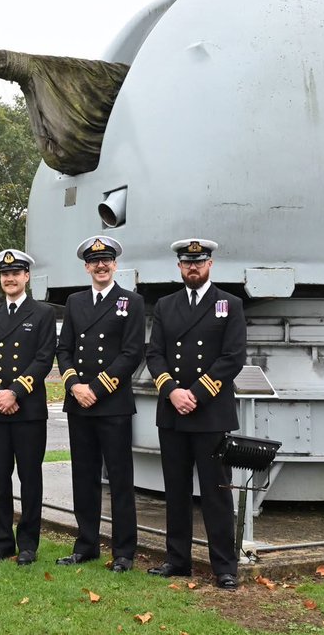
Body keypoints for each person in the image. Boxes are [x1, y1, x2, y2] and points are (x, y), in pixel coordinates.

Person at [145, 238, 246, 591]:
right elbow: (154, 353)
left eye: (199, 262)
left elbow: (233, 357)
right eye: (187, 263)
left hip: (210, 413)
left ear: (210, 264)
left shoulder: (229, 304)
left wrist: (197, 394)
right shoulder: (165, 305)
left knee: (216, 492)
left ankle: (224, 566)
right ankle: (177, 560)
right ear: (179, 267)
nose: (193, 267)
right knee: (175, 490)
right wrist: (172, 390)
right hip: (173, 412)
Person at [54, 236, 144, 572]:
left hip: (113, 404)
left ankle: (123, 552)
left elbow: (132, 352)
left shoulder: (131, 302)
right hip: (80, 404)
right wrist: (76, 386)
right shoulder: (75, 302)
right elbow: (63, 350)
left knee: (120, 479)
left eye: (106, 260)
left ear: (115, 264)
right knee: (84, 478)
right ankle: (86, 545)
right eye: (95, 262)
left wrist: (97, 387)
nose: (101, 266)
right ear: (86, 267)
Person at [0, 249, 56, 567]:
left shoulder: (43, 313)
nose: (10, 278)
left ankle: (27, 544)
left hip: (28, 409)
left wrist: (15, 393)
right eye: (5, 274)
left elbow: (43, 357)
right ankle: (2, 542)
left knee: (30, 477)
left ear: (27, 277)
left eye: (16, 273)